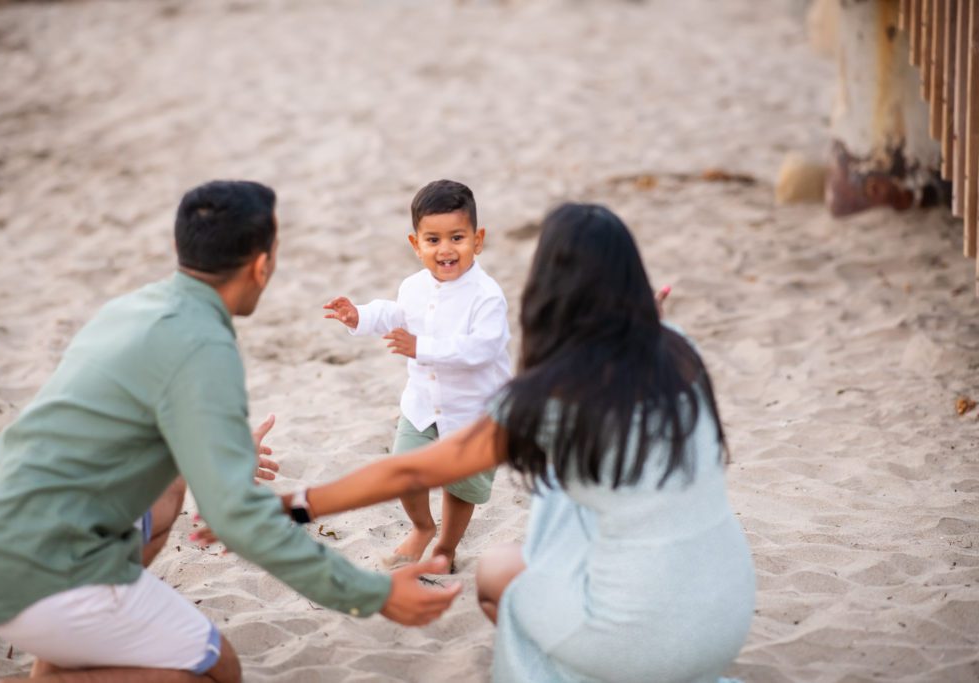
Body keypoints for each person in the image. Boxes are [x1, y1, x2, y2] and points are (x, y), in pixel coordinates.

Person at [0, 180, 460, 683]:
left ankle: (68, 649)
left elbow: (110, 429)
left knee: (170, 489)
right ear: (262, 265)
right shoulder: (204, 344)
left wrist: (222, 449)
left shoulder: (131, 307)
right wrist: (373, 593)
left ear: (183, 248)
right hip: (40, 572)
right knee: (217, 669)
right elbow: (237, 518)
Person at [290, 203, 756, 682]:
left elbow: (412, 471)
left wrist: (290, 506)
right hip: (727, 614)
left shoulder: (547, 395)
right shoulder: (680, 348)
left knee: (497, 571)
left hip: (632, 642)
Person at [323, 179, 511, 571]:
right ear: (416, 245)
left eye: (457, 237)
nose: (445, 249)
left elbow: (483, 349)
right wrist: (359, 316)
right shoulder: (413, 286)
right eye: (433, 240)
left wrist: (421, 348)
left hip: (474, 413)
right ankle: (422, 527)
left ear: (478, 240)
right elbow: (394, 314)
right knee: (405, 472)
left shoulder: (486, 295)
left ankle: (446, 546)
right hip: (424, 405)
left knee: (463, 487)